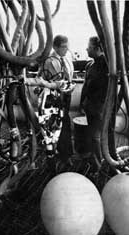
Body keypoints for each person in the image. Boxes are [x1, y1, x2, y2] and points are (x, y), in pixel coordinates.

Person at [39, 35, 75, 165]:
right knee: (61, 124)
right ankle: (63, 155)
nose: (66, 49)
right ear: (55, 47)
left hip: (66, 95)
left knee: (63, 122)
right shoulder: (49, 61)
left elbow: (69, 74)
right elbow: (45, 80)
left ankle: (62, 152)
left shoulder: (67, 57)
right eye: (63, 47)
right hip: (55, 97)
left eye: (67, 46)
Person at [80, 36, 109, 170]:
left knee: (95, 137)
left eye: (89, 47)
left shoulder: (107, 66)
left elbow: (106, 89)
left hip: (100, 108)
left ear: (98, 49)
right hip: (90, 106)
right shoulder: (89, 65)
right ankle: (94, 160)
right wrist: (82, 103)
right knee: (92, 136)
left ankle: (98, 167)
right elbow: (85, 86)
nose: (86, 49)